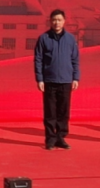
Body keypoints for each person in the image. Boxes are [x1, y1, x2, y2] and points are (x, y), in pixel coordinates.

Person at [34, 9, 79, 151]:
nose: (56, 23)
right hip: (49, 80)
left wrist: (76, 77)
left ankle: (60, 137)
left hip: (66, 80)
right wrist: (40, 79)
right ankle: (50, 139)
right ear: (50, 21)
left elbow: (75, 59)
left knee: (63, 112)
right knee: (50, 112)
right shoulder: (43, 38)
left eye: (59, 20)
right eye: (54, 20)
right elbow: (38, 59)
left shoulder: (70, 39)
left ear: (64, 21)